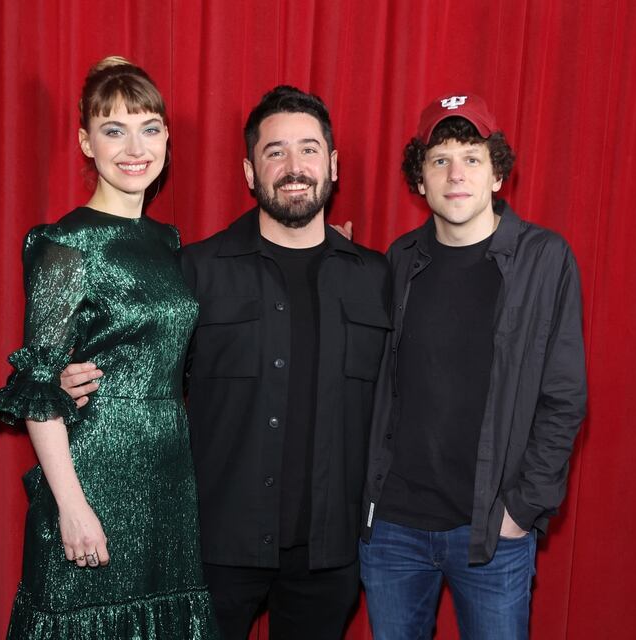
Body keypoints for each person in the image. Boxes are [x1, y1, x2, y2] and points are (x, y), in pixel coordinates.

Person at [63, 85, 391, 639]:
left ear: (333, 165)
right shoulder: (195, 270)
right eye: (275, 152)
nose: (294, 167)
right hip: (213, 547)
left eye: (309, 149)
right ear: (249, 172)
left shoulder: (376, 278)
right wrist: (72, 380)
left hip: (330, 551)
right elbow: (141, 378)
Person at [0, 56, 218, 639]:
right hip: (94, 475)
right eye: (115, 130)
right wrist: (72, 506)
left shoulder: (166, 240)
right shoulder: (65, 245)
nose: (135, 148)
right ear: (86, 143)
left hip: (167, 482)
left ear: (166, 138)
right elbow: (39, 385)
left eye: (149, 128)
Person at [359, 94, 587, 639]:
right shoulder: (399, 259)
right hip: (394, 528)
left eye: (472, 158)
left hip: (490, 529)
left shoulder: (544, 259)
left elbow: (564, 395)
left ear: (497, 175)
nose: (455, 174)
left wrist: (523, 508)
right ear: (420, 180)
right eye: (440, 160)